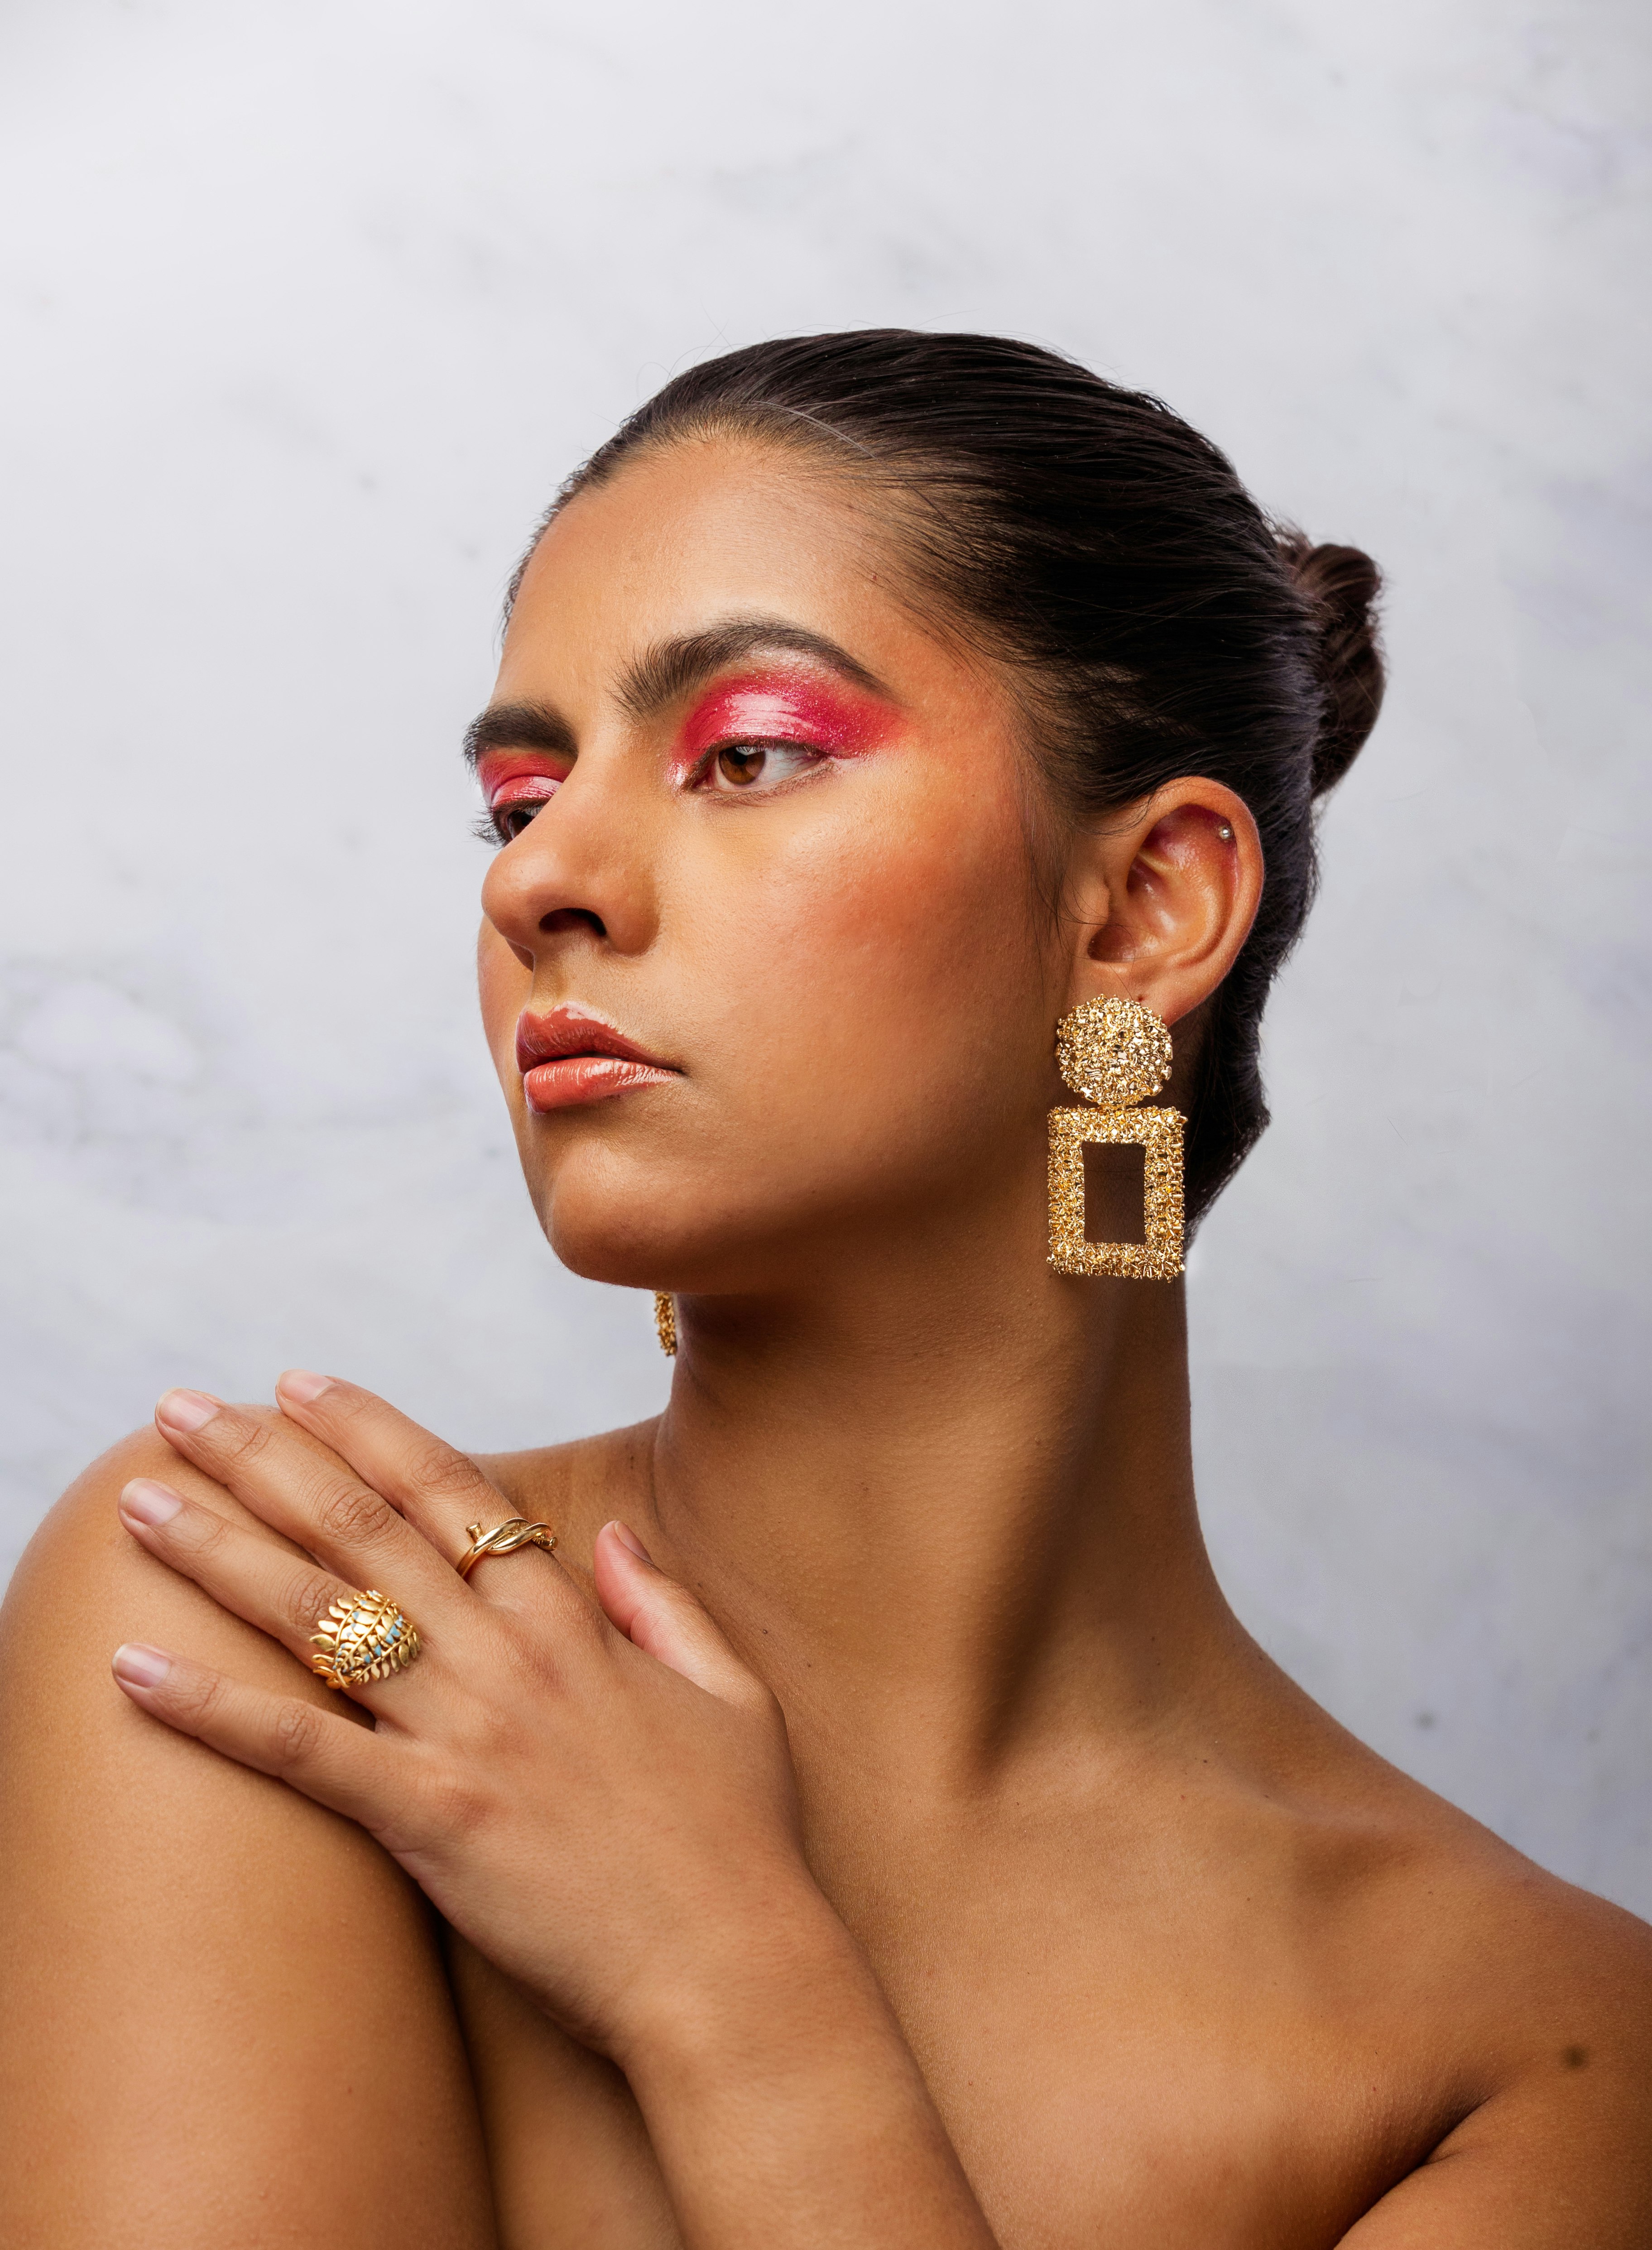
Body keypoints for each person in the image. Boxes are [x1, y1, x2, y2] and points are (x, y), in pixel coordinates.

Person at [1, 331, 1647, 2249]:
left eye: (747, 754)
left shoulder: (1538, 2055)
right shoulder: (284, 1620)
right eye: (520, 799)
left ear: (1142, 911)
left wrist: (737, 1996)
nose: (538, 885)